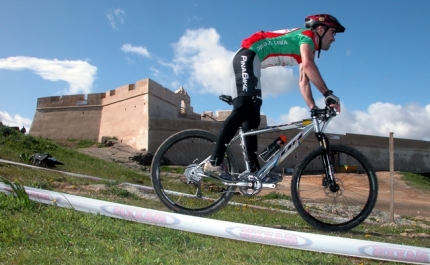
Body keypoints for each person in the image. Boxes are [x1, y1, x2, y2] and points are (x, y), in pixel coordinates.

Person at [204, 14, 344, 183]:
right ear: (320, 29)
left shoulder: (307, 47)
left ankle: (254, 172)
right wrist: (327, 94)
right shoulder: (307, 36)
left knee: (252, 119)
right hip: (246, 57)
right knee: (244, 108)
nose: (333, 39)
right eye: (333, 33)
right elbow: (308, 66)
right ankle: (214, 162)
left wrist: (313, 107)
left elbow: (303, 80)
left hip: (253, 64)